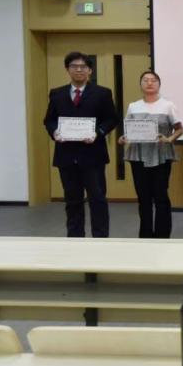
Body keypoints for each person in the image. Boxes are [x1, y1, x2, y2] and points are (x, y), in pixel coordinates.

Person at [43, 51, 118, 238]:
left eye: (83, 67)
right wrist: (55, 132)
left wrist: (98, 133)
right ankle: (75, 240)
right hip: (66, 156)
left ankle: (100, 240)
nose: (78, 70)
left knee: (97, 200)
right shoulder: (57, 93)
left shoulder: (102, 93)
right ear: (67, 69)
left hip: (93, 156)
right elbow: (49, 120)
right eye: (74, 66)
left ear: (90, 70)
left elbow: (111, 119)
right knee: (72, 201)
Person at [119, 71, 183, 238]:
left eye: (153, 80)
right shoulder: (133, 106)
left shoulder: (168, 105)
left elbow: (179, 129)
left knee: (161, 196)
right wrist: (123, 138)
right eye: (145, 80)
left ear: (159, 84)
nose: (149, 83)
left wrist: (169, 139)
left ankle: (162, 235)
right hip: (138, 156)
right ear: (140, 84)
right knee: (143, 197)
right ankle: (145, 235)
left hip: (161, 155)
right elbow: (129, 131)